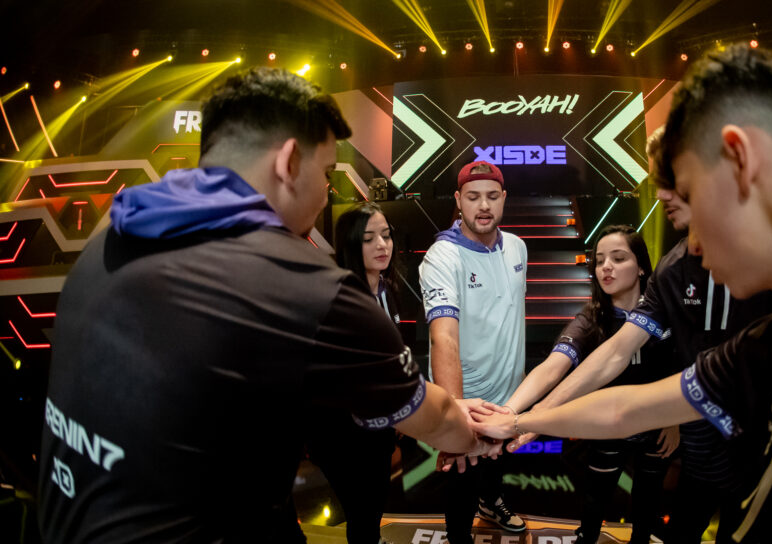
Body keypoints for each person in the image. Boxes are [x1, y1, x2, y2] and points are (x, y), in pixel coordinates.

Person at [471, 43, 772, 542]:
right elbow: (625, 408)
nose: (694, 244)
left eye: (691, 196)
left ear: (742, 160)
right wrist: (517, 424)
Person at [38, 67, 493, 543]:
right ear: (289, 161)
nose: (326, 195)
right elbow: (435, 419)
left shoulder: (110, 233)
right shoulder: (305, 286)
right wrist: (479, 433)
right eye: (326, 174)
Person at [511, 127, 772, 544]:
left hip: (767, 446)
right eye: (657, 182)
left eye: (672, 179)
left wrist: (527, 420)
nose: (661, 194)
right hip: (698, 449)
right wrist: (523, 419)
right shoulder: (670, 275)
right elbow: (614, 357)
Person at [504, 224, 680, 544]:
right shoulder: (591, 319)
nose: (606, 267)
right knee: (595, 499)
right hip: (607, 426)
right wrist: (512, 413)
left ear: (641, 267)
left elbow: (682, 366)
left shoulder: (667, 313)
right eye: (599, 261)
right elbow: (553, 367)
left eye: (618, 258)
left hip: (656, 425)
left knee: (647, 503)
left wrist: (675, 420)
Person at [419, 160, 528, 544]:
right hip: (468, 400)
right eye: (473, 197)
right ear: (458, 200)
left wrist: (514, 399)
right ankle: (459, 536)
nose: (483, 205)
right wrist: (455, 415)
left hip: (510, 397)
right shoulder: (442, 257)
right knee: (461, 479)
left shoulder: (517, 247)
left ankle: (491, 503)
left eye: (492, 196)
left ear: (504, 198)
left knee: (496, 465)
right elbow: (444, 338)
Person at [306, 203, 401, 544]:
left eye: (386, 235)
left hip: (380, 428)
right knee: (361, 512)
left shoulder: (388, 290)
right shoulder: (339, 298)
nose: (382, 245)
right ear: (350, 244)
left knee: (371, 510)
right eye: (369, 238)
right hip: (342, 434)